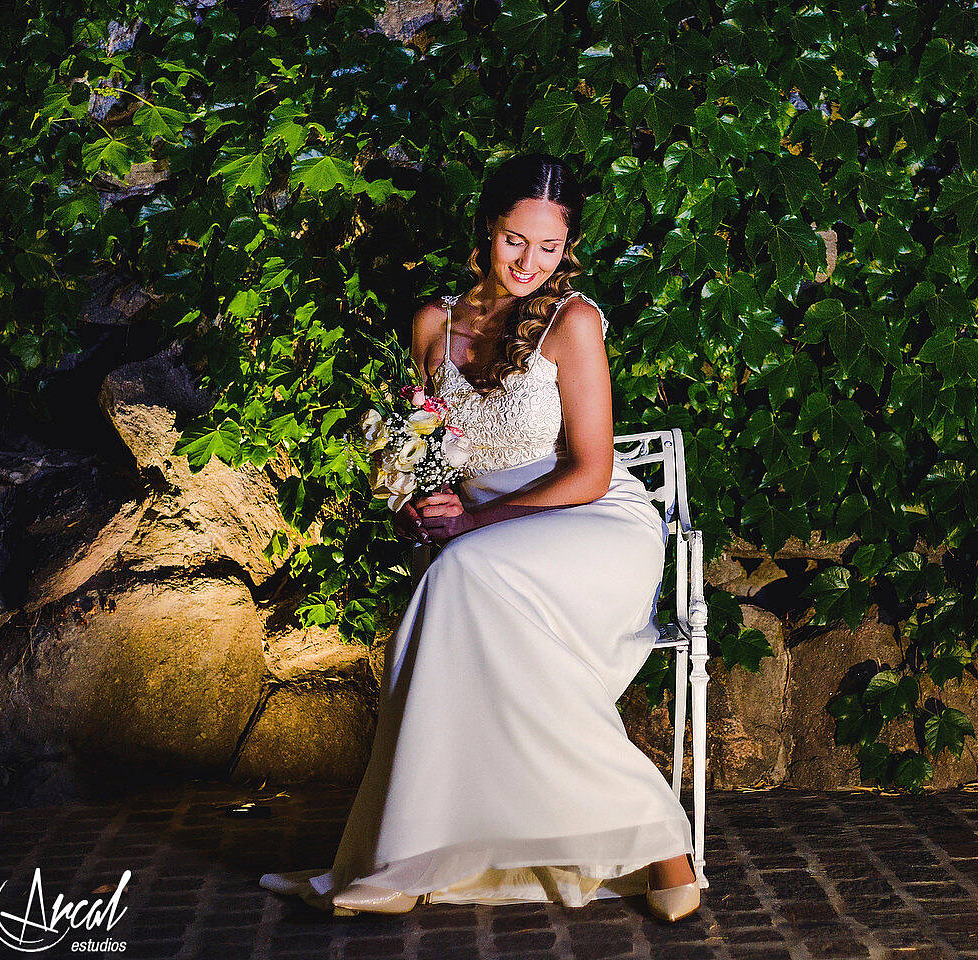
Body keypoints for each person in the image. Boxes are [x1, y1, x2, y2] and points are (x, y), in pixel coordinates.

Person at [258, 153, 700, 923]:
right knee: (469, 581)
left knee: (466, 575)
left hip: (589, 526)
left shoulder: (575, 322)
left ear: (569, 250)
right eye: (513, 241)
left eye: (549, 248)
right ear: (484, 231)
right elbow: (424, 453)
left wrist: (473, 526)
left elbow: (592, 471)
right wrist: (416, 502)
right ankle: (420, 857)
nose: (529, 263)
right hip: (486, 545)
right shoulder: (436, 322)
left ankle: (658, 843)